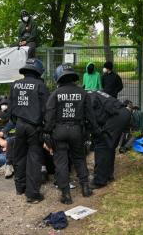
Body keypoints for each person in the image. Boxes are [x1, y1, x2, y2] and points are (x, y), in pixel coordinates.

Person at [43, 64, 101, 204]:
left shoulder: (55, 94)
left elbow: (49, 116)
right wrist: (94, 131)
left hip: (59, 131)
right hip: (77, 131)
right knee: (79, 158)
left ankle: (66, 194)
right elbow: (90, 116)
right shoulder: (82, 93)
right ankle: (86, 188)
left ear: (59, 77)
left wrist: (47, 132)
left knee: (61, 162)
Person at [9, 58, 49, 203]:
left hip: (19, 125)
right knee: (34, 159)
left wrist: (17, 122)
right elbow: (47, 109)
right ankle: (32, 194)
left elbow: (11, 108)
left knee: (19, 156)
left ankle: (20, 187)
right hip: (34, 127)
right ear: (38, 71)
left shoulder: (15, 85)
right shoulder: (40, 85)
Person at [88, 91, 131, 188]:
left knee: (101, 146)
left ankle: (99, 181)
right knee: (109, 146)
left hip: (116, 117)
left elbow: (92, 117)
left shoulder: (87, 98)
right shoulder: (93, 92)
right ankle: (108, 175)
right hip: (122, 113)